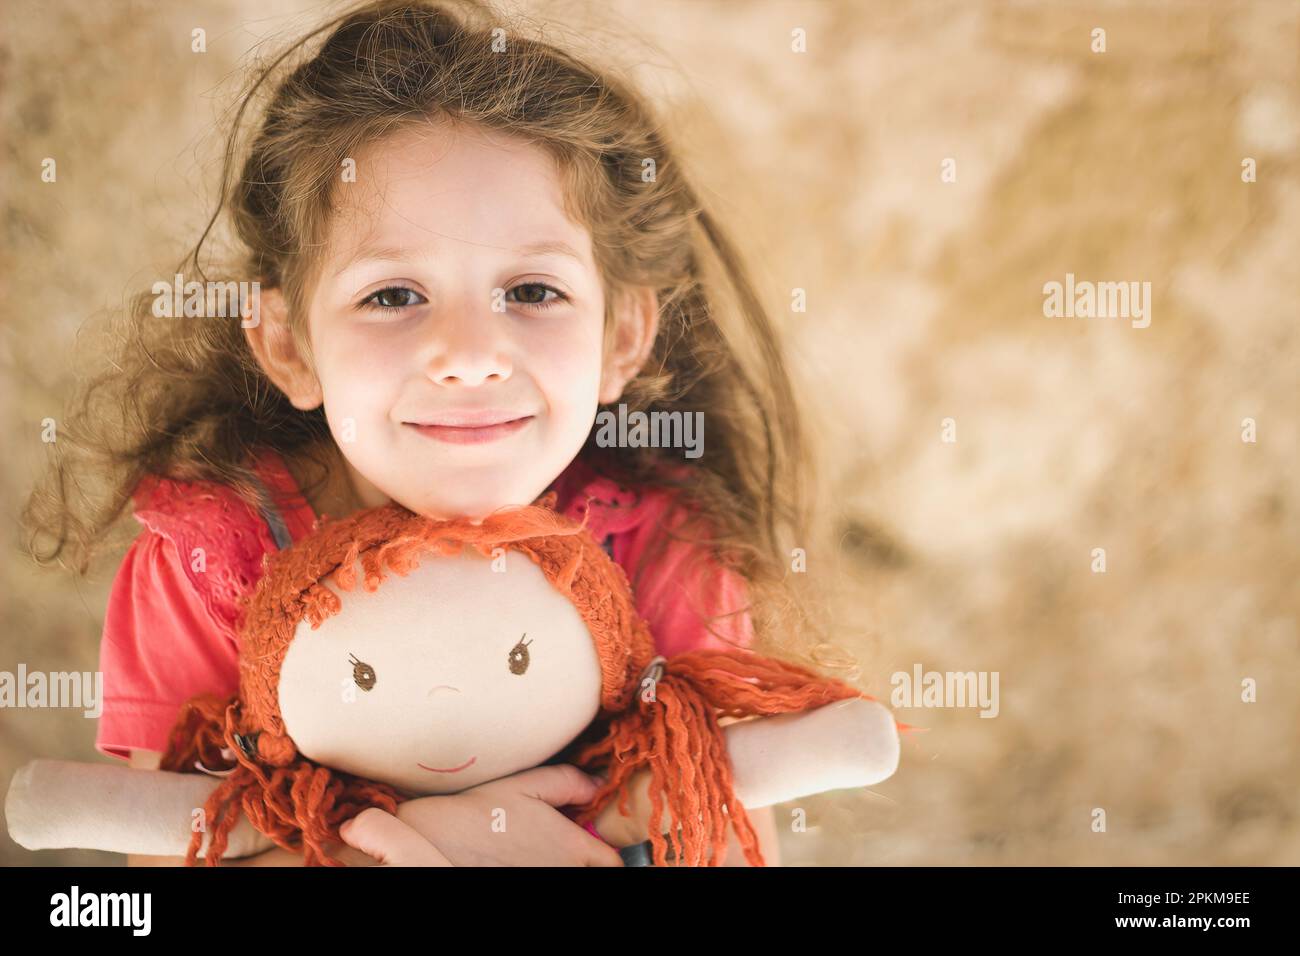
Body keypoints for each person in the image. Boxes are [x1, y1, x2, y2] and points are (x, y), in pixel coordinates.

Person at [22, 0, 860, 866]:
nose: (467, 356)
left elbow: (723, 834)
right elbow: (167, 861)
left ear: (620, 339)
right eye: (392, 296)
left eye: (533, 292)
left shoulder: (663, 550)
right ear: (287, 344)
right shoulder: (210, 563)